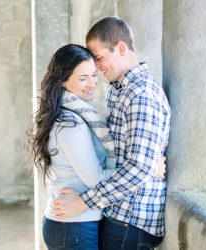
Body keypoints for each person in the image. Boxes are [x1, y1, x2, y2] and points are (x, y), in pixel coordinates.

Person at [27, 44, 167, 249]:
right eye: (82, 78)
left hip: (78, 223)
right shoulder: (71, 123)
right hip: (72, 227)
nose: (91, 83)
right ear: (63, 82)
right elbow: (95, 178)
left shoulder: (86, 113)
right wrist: (148, 169)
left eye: (93, 75)